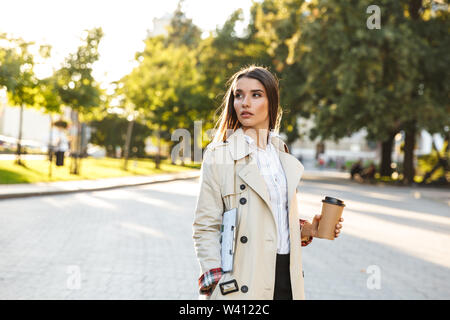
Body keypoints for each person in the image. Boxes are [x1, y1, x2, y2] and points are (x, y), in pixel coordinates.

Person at [192, 65, 344, 300]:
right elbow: (205, 226)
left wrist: (308, 229)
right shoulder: (220, 154)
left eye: (256, 95)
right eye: (238, 95)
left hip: (287, 276)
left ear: (271, 102)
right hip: (242, 280)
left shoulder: (280, 151)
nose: (245, 102)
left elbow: (272, 218)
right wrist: (216, 282)